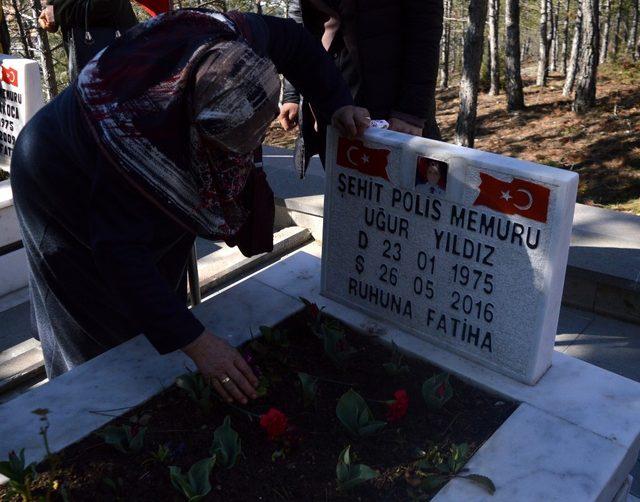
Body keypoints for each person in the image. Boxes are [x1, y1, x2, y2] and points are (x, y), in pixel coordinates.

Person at [11, 9, 369, 404]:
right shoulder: (136, 140)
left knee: (161, 283)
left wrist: (336, 103)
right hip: (57, 180)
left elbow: (298, 43)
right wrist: (198, 343)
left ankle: (159, 355)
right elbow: (120, 252)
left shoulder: (238, 42)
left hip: (141, 154)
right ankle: (93, 407)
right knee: (93, 315)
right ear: (193, 126)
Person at [278, 0, 443, 177]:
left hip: (391, 106)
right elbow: (299, 19)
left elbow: (425, 29)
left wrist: (410, 113)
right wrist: (292, 93)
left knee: (395, 192)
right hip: (328, 102)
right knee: (341, 191)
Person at [38, 0, 138, 78]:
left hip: (115, 54)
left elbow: (106, 5)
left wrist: (56, 9)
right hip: (83, 53)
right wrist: (50, 12)